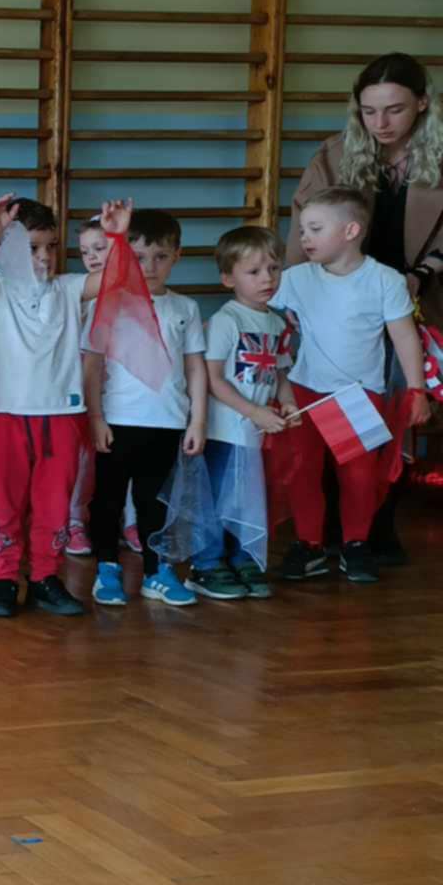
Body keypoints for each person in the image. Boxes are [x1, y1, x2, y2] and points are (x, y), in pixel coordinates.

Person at [288, 53, 442, 564]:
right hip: (341, 302)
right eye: (369, 111)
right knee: (336, 408)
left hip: (420, 299)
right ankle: (335, 526)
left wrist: (423, 274)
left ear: (423, 104)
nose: (381, 123)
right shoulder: (334, 155)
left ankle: (378, 523)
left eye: (395, 110)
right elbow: (305, 232)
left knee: (395, 413)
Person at [275, 187, 431, 582]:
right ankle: (309, 544)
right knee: (303, 470)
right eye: (303, 230)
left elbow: (405, 337)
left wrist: (416, 390)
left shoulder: (384, 280)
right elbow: (256, 306)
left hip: (356, 395)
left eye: (315, 229)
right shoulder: (295, 279)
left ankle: (356, 544)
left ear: (350, 231)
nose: (304, 238)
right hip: (304, 391)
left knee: (358, 475)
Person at [0, 197, 92, 618]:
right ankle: (2, 578)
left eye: (51, 246)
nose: (45, 257)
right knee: (2, 500)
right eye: (33, 247)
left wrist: (118, 237)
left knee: (54, 502)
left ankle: (45, 578)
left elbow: (113, 280)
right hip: (2, 413)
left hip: (61, 414)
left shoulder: (69, 288)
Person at [84, 207, 206, 607]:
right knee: (108, 500)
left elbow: (195, 366)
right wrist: (96, 417)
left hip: (167, 421)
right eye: (139, 257)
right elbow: (92, 364)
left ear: (177, 256)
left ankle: (157, 572)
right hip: (118, 420)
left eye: (160, 256)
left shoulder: (186, 308)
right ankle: (106, 569)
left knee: (155, 502)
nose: (150, 266)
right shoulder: (109, 302)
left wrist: (197, 420)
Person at [189, 226, 296, 600]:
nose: (267, 278)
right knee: (217, 498)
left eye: (274, 269)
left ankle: (242, 557)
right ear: (227, 278)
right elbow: (213, 379)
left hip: (255, 430)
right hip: (224, 430)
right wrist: (254, 411)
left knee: (248, 497)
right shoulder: (226, 320)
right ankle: (206, 564)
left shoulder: (278, 323)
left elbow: (279, 374)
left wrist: (288, 403)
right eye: (254, 272)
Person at [64, 217, 115, 556]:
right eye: (85, 252)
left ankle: (128, 520)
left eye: (100, 248)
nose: (92, 257)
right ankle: (74, 520)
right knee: (82, 458)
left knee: (122, 456)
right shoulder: (80, 297)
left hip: (125, 391)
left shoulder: (139, 296)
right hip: (86, 386)